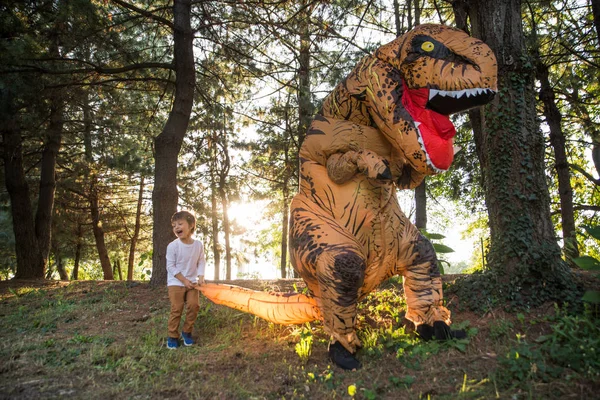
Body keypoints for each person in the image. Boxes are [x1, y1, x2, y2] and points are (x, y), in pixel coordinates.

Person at [165, 210, 206, 349]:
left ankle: (186, 332)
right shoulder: (173, 246)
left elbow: (201, 261)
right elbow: (170, 266)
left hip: (192, 282)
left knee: (194, 306)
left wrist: (200, 276)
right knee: (177, 308)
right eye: (174, 225)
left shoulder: (198, 245)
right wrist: (183, 280)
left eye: (180, 224)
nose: (176, 227)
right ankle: (172, 336)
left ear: (191, 225)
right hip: (176, 282)